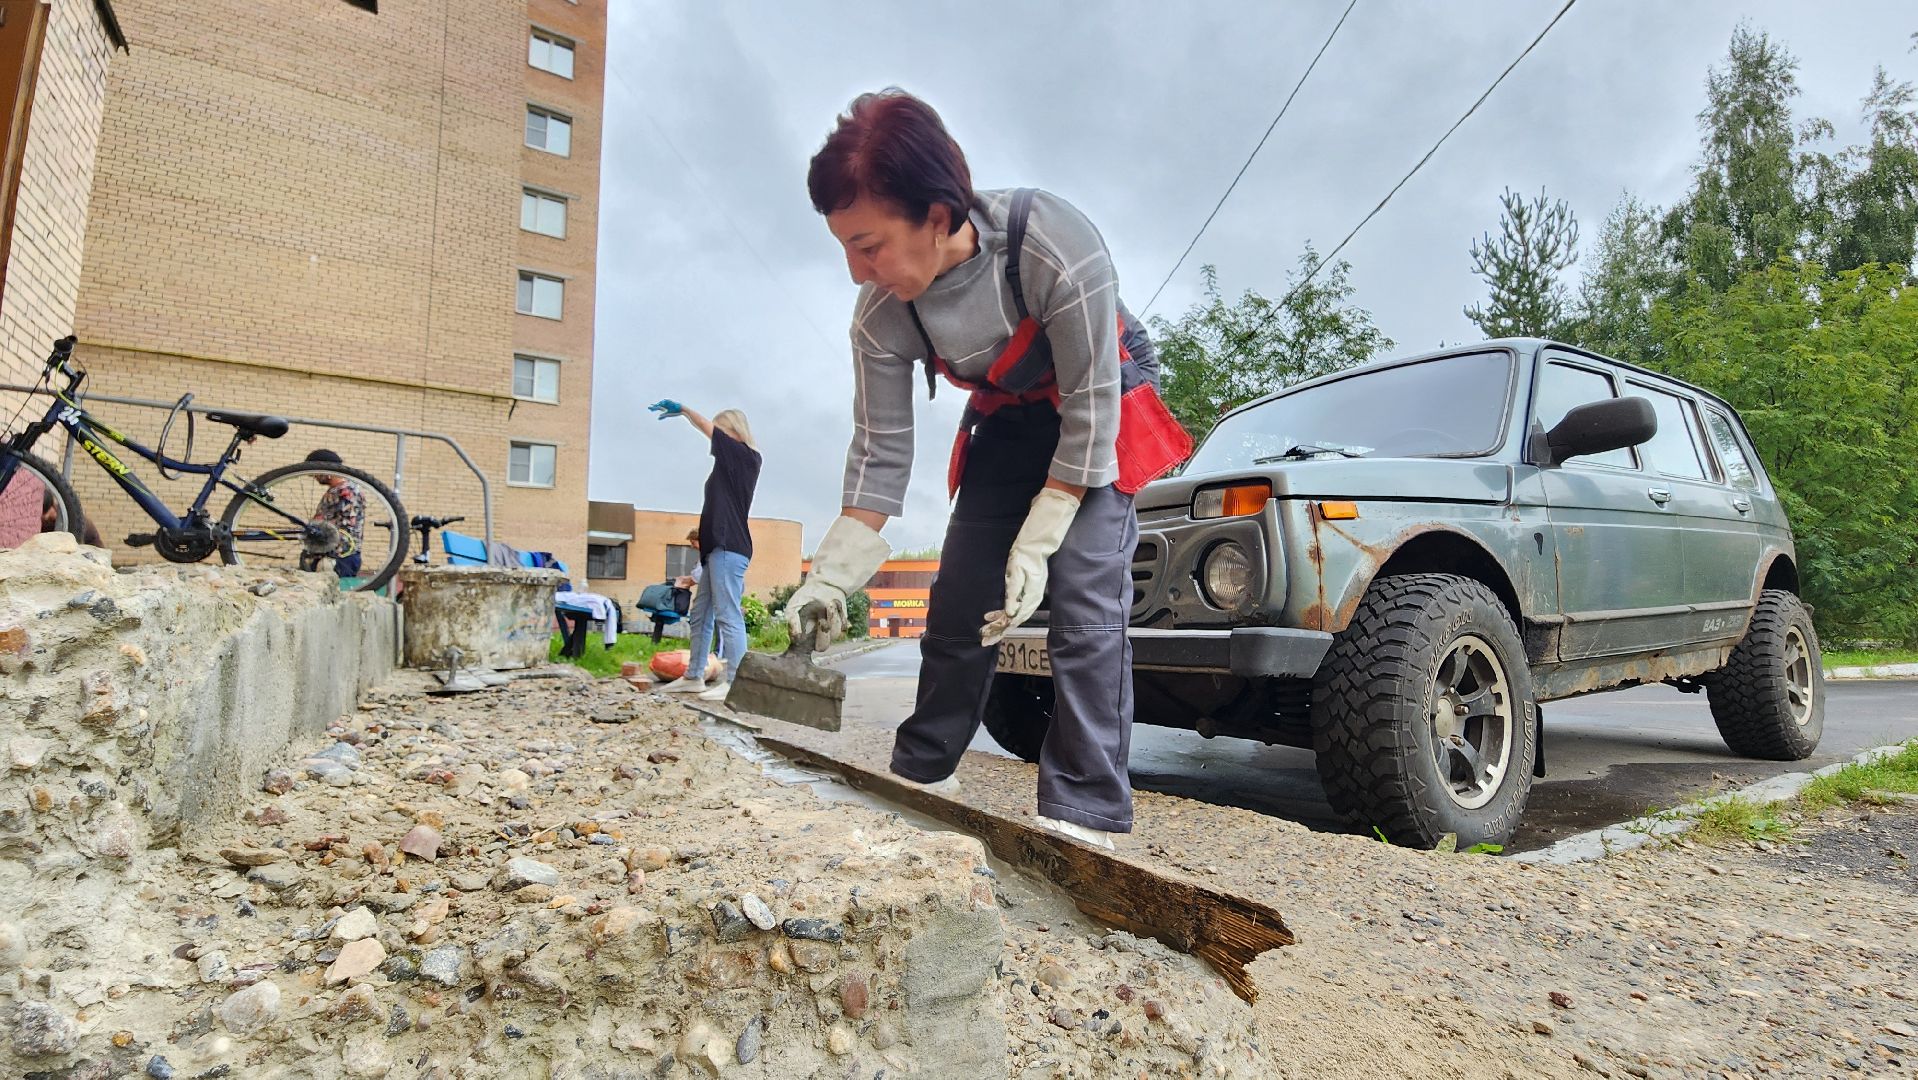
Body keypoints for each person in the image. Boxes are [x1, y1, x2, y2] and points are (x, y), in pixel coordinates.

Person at [784, 90, 1188, 851]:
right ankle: (925, 770)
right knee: (962, 595)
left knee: (1084, 599)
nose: (854, 271)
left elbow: (1092, 412)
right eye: (843, 247)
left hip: (1100, 403)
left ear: (937, 216)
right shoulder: (882, 312)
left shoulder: (1051, 245)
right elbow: (880, 455)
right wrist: (832, 575)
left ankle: (1084, 811)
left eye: (868, 245)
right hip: (1007, 416)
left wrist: (1044, 532)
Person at [650, 404, 762, 701]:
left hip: (730, 547)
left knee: (728, 615)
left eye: (721, 431)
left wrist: (686, 411)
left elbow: (708, 430)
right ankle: (694, 676)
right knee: (700, 615)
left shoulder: (745, 457)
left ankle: (738, 682)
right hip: (715, 551)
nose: (717, 440)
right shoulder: (726, 466)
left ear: (734, 432)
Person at [304, 449, 364, 579]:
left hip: (340, 557)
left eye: (316, 472)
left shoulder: (346, 491)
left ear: (327, 469)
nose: (315, 477)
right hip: (329, 553)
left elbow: (347, 526)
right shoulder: (337, 490)